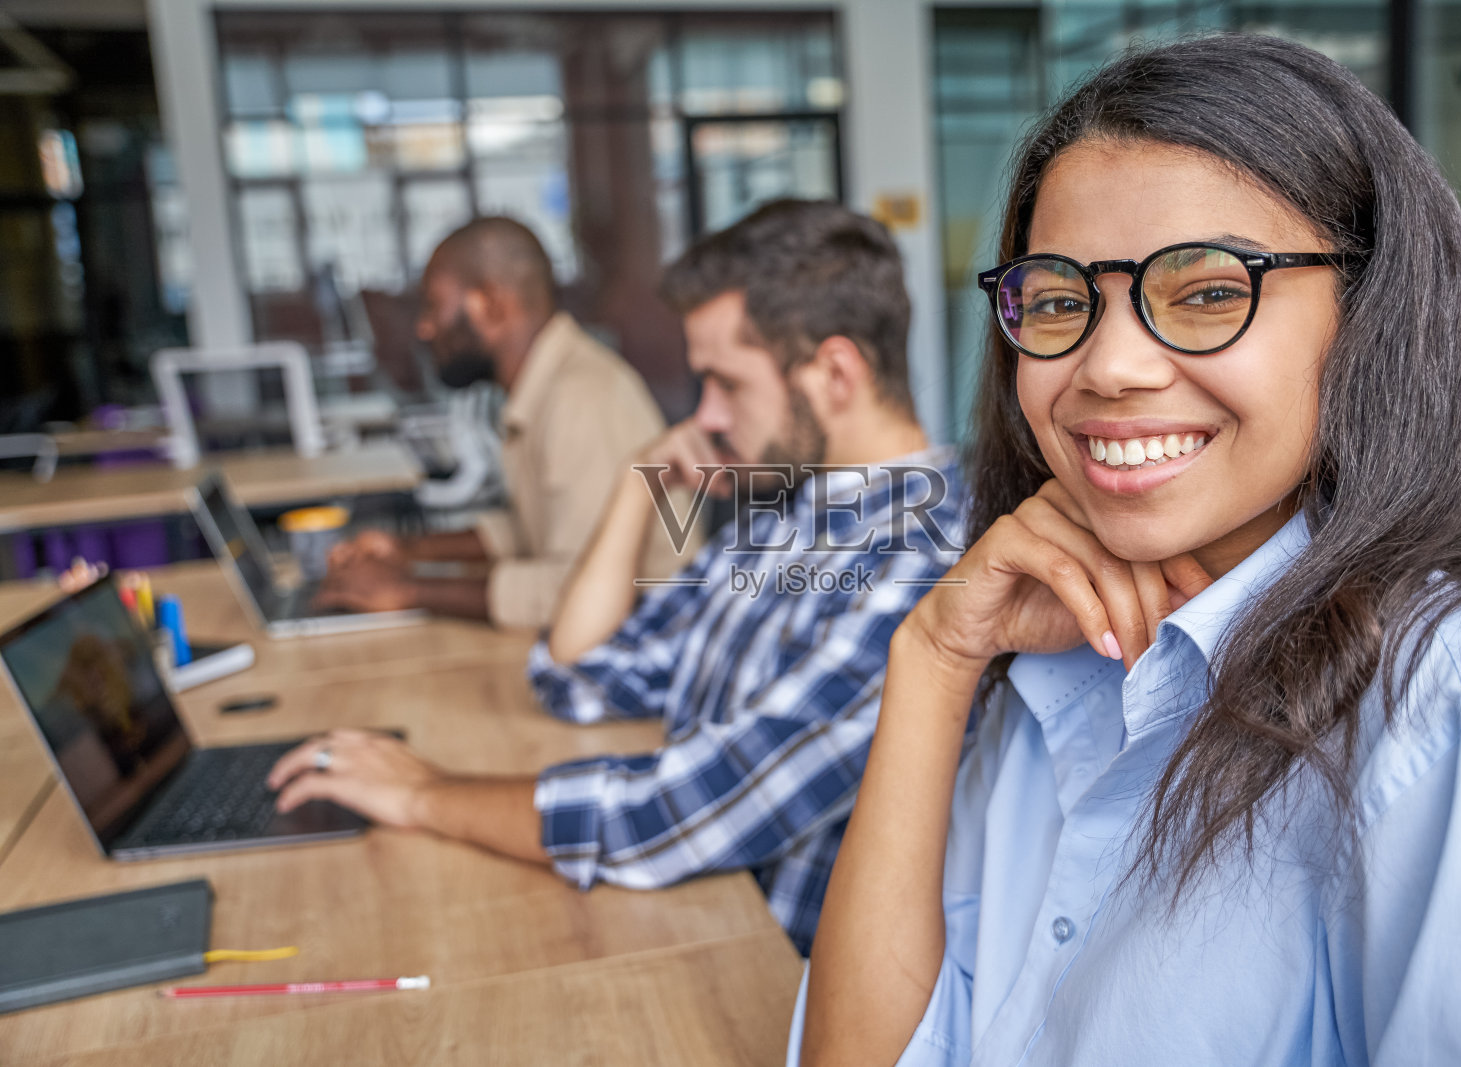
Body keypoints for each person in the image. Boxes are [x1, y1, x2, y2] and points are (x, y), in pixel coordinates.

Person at [795, 34, 1461, 1066]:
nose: (1109, 364)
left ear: (1368, 317)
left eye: (1209, 290)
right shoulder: (1048, 655)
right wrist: (931, 661)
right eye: (1054, 299)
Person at [268, 200, 967, 954]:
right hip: (698, 926)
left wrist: (423, 793)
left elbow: (675, 813)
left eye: (726, 383)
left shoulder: (922, 567)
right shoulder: (779, 522)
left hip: (768, 987)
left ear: (835, 373)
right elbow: (579, 671)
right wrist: (642, 482)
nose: (706, 415)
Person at [317, 216, 684, 629]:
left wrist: (408, 589)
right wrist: (406, 550)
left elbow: (580, 586)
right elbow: (532, 529)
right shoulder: (544, 388)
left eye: (434, 305)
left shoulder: (582, 398)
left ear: (491, 304)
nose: (424, 327)